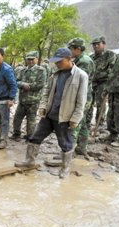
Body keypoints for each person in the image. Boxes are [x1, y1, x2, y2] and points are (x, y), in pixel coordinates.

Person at [15, 47, 88, 179]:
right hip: (49, 115)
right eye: (56, 62)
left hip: (65, 117)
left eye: (59, 61)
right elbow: (46, 93)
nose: (57, 64)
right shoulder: (55, 75)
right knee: (35, 138)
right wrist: (43, 106)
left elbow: (81, 100)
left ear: (69, 59)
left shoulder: (81, 75)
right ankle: (29, 161)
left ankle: (65, 168)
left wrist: (76, 118)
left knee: (65, 144)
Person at [68, 37, 95, 156]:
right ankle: (81, 148)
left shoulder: (84, 61)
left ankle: (69, 151)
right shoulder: (79, 60)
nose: (70, 51)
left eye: (71, 49)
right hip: (83, 96)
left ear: (78, 49)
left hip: (82, 97)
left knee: (75, 123)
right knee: (82, 123)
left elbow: (78, 81)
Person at [12, 51, 47, 141]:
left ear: (36, 59)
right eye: (28, 59)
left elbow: (41, 84)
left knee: (31, 121)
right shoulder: (22, 70)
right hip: (22, 100)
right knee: (17, 118)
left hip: (33, 101)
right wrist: (22, 84)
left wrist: (29, 86)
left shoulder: (41, 70)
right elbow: (16, 81)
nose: (30, 61)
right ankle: (16, 134)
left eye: (32, 59)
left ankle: (29, 137)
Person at [0, 48, 18, 149]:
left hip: (5, 99)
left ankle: (4, 140)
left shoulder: (6, 69)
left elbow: (13, 85)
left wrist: (11, 98)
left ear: (2, 57)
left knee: (5, 121)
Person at [89, 36, 117, 133]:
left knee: (100, 103)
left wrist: (97, 75)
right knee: (89, 103)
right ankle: (87, 122)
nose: (96, 46)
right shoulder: (91, 57)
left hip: (103, 82)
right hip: (92, 83)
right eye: (94, 44)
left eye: (98, 44)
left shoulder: (110, 55)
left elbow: (112, 71)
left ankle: (99, 123)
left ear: (103, 44)